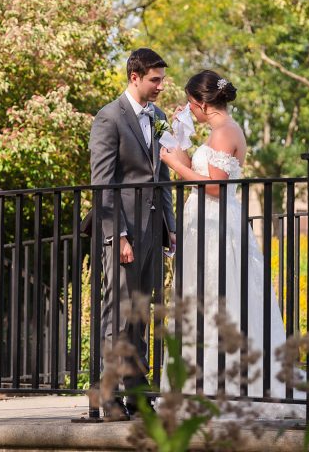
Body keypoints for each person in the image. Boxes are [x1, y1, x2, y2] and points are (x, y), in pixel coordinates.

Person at [159, 69, 298, 417]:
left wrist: (177, 166)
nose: (189, 112)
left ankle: (221, 384)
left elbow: (215, 188)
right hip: (204, 224)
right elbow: (206, 174)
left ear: (200, 102)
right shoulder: (220, 130)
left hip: (216, 226)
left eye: (191, 106)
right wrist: (178, 145)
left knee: (217, 297)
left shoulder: (224, 132)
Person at [89, 48, 177, 420]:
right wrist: (118, 235)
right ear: (135, 77)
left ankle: (138, 396)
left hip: (152, 233)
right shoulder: (109, 118)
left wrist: (169, 227)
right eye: (154, 80)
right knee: (118, 315)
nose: (160, 86)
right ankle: (106, 397)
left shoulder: (157, 117)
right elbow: (103, 183)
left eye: (161, 79)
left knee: (142, 315)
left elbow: (163, 176)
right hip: (123, 233)